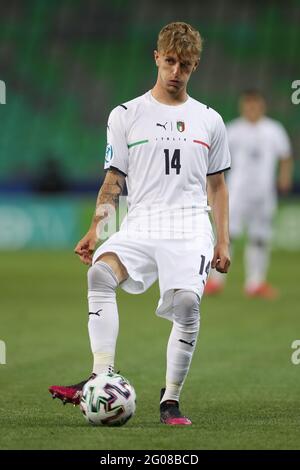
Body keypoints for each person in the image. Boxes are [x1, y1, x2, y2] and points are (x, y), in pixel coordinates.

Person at [49, 22, 231, 425]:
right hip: (142, 219)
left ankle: (171, 400)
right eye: (169, 61)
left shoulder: (210, 120)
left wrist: (223, 241)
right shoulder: (126, 114)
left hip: (189, 225)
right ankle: (100, 376)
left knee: (186, 304)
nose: (175, 72)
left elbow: (217, 186)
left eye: (184, 64)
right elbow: (114, 179)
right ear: (156, 58)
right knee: (98, 275)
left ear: (195, 65)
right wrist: (98, 228)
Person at [205, 90, 293, 299]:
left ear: (262, 106)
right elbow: (216, 161)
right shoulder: (233, 129)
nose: (252, 109)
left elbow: (285, 156)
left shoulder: (274, 129)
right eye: (248, 105)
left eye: (255, 105)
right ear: (243, 107)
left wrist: (284, 177)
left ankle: (255, 282)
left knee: (260, 237)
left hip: (264, 193)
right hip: (237, 192)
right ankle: (215, 281)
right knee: (226, 235)